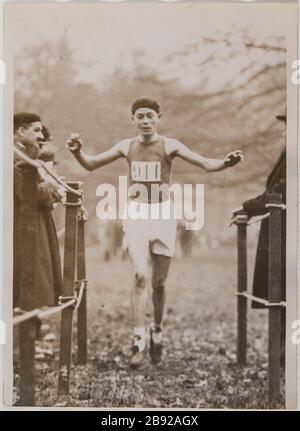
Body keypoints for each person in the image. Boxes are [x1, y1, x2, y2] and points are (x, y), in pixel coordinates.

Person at [66, 97, 243, 367]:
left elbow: (205, 163)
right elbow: (90, 164)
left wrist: (226, 162)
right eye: (140, 116)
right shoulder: (126, 146)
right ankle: (138, 338)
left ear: (159, 117)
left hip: (163, 215)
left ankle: (156, 329)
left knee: (158, 283)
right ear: (133, 120)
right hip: (136, 214)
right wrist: (77, 152)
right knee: (139, 276)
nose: (145, 121)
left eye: (150, 116)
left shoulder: (169, 145)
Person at [231, 111, 286, 364]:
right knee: (283, 295)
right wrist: (247, 208)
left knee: (286, 295)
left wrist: (248, 206)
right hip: (280, 233)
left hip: (288, 235)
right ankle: (284, 355)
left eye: (289, 123)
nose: (285, 129)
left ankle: (286, 356)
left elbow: (279, 193)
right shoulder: (290, 151)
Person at [14, 113, 63, 310]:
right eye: (36, 130)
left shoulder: (26, 153)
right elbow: (31, 192)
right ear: (20, 131)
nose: (41, 136)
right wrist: (53, 186)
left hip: (31, 223)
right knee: (25, 283)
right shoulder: (13, 155)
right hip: (19, 226)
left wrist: (50, 187)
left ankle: (31, 335)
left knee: (34, 283)